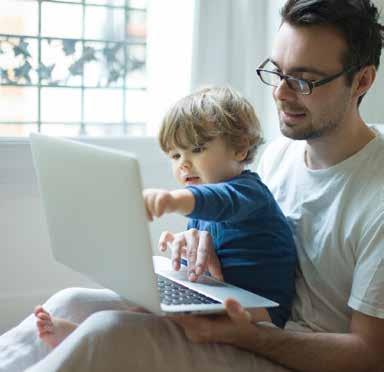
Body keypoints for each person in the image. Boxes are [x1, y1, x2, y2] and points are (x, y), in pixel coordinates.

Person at [1, 0, 384, 371]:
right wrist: (199, 241)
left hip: (289, 350)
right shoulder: (279, 155)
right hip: (241, 310)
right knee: (70, 303)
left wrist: (246, 336)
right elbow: (248, 229)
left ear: (362, 80)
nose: (280, 94)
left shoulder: (376, 197)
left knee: (108, 332)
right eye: (276, 71)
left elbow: (369, 356)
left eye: (303, 80)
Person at [32, 86, 297, 350]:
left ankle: (87, 339)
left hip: (263, 313)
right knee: (145, 309)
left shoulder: (248, 192)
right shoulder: (199, 209)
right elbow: (206, 259)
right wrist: (182, 260)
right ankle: (84, 335)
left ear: (239, 149)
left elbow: (219, 201)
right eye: (175, 155)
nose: (183, 163)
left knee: (154, 325)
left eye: (197, 148)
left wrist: (172, 200)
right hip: (225, 296)